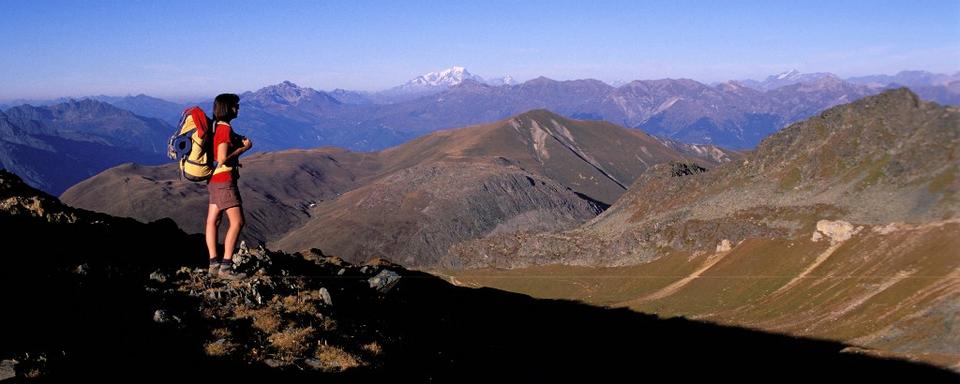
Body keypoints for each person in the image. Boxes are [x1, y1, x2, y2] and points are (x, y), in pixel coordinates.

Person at [206, 93, 253, 279]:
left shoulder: (215, 126)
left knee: (213, 221)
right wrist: (244, 148)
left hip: (213, 180)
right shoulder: (224, 128)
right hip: (224, 181)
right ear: (228, 107)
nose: (238, 108)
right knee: (237, 222)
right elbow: (223, 157)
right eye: (236, 105)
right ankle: (226, 267)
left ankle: (213, 264)